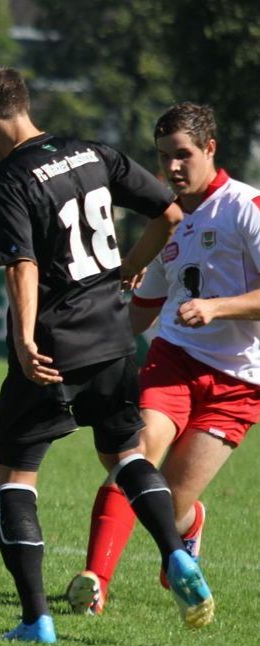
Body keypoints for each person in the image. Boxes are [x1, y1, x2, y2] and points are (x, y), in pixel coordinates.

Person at [0, 65, 214, 643]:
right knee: (126, 456)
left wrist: (25, 340)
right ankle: (176, 553)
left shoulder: (6, 181)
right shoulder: (91, 152)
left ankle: (35, 621)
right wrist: (128, 268)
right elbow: (170, 214)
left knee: (16, 477)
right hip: (113, 338)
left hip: (53, 347)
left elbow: (22, 266)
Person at [67, 102, 260, 615]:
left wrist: (218, 307)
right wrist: (86, 350)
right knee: (135, 458)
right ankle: (95, 581)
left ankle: (189, 526)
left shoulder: (246, 206)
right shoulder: (170, 225)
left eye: (183, 155)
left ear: (210, 149)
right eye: (163, 156)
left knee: (170, 506)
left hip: (239, 382)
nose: (172, 167)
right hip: (174, 360)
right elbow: (141, 310)